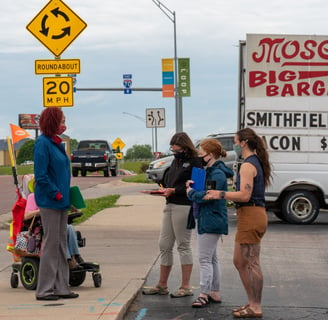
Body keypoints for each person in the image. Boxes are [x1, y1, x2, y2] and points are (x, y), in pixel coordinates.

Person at [204, 128, 271, 318]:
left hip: (252, 215)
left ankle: (256, 306)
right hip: (248, 215)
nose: (233, 145)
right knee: (239, 261)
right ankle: (251, 303)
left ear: (243, 143)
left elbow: (245, 195)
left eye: (235, 141)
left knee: (251, 263)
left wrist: (220, 194)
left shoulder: (248, 165)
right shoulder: (250, 163)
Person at [142, 132, 202, 298]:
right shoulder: (176, 161)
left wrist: (175, 190)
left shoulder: (196, 162)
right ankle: (162, 284)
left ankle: (186, 285)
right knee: (164, 244)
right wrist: (164, 189)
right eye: (173, 150)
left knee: (183, 244)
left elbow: (197, 186)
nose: (175, 152)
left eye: (177, 149)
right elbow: (170, 180)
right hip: (170, 203)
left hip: (184, 205)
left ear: (185, 147)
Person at [34, 107, 79, 301]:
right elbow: (41, 175)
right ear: (53, 122)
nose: (64, 124)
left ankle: (62, 286)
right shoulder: (43, 144)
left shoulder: (56, 144)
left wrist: (67, 198)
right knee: (51, 244)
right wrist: (57, 194)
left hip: (61, 201)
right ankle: (44, 289)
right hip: (50, 201)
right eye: (62, 120)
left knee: (61, 243)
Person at [186, 138, 234, 308]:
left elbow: (207, 196)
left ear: (211, 154)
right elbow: (203, 192)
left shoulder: (217, 174)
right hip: (208, 218)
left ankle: (204, 294)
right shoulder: (210, 171)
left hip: (210, 218)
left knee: (205, 259)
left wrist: (190, 192)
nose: (199, 156)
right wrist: (192, 187)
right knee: (212, 258)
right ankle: (214, 291)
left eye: (201, 154)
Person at [24, 191, 83, 269]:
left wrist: (73, 208)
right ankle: (67, 258)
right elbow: (27, 215)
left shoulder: (53, 196)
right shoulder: (33, 197)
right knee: (60, 231)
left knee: (70, 228)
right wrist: (41, 210)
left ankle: (75, 256)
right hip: (42, 228)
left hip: (56, 224)